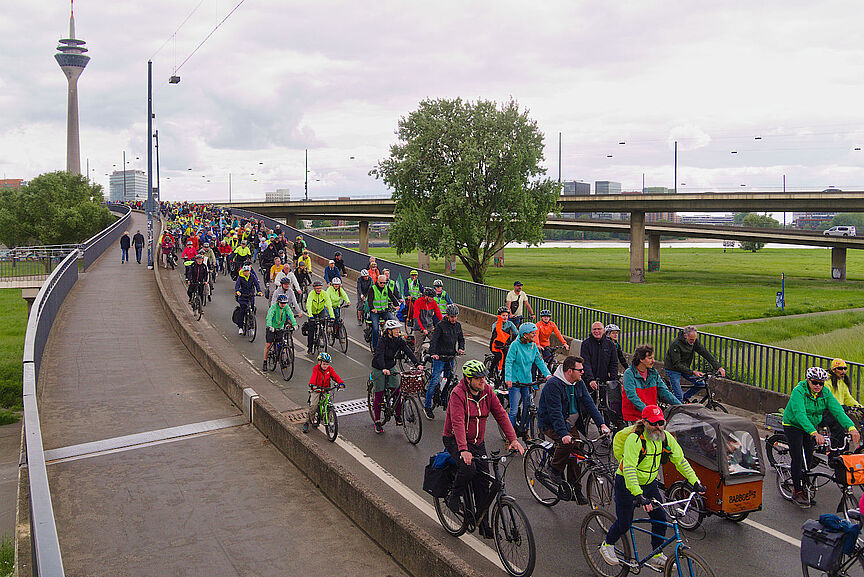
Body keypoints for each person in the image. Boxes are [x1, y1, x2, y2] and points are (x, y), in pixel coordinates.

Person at [599, 405, 705, 569]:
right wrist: (638, 495)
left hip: (649, 484)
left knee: (661, 519)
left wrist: (695, 482)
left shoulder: (666, 438)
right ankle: (607, 544)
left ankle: (656, 554)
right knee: (625, 522)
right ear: (644, 422)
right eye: (653, 423)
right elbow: (629, 468)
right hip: (627, 484)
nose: (658, 427)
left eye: (661, 423)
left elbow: (680, 461)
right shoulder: (634, 440)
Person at [442, 360, 525, 539]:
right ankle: (454, 496)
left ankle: (484, 524)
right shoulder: (458, 394)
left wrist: (513, 439)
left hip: (477, 442)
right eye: (478, 378)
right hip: (455, 440)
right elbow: (457, 422)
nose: (482, 381)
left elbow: (501, 414)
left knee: (483, 483)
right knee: (469, 468)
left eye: (483, 377)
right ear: (468, 379)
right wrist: (463, 449)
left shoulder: (487, 391)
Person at [782, 366, 860, 507]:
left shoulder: (825, 392)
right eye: (814, 382)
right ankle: (797, 491)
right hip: (793, 425)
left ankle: (806, 484)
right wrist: (814, 433)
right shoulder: (798, 391)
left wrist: (851, 427)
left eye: (821, 383)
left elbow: (838, 412)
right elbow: (800, 415)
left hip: (811, 426)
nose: (818, 386)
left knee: (809, 458)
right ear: (808, 380)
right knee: (798, 457)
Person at [538, 355, 610, 503]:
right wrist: (563, 434)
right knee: (569, 443)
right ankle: (554, 468)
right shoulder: (553, 385)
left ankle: (575, 489)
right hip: (552, 423)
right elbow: (555, 413)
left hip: (569, 424)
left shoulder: (578, 382)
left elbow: (589, 403)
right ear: (570, 371)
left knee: (578, 453)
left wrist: (601, 424)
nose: (583, 372)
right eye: (580, 370)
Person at [371, 320, 422, 433]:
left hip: (391, 365)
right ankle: (378, 421)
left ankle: (398, 416)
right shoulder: (382, 341)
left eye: (398, 329)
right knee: (379, 394)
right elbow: (378, 355)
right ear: (389, 331)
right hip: (379, 367)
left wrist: (417, 364)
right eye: (396, 329)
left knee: (397, 391)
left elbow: (408, 351)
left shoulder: (398, 340)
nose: (398, 331)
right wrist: (383, 368)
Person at [504, 322, 551, 433]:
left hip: (527, 381)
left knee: (528, 407)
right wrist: (508, 378)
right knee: (514, 411)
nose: (535, 335)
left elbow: (540, 361)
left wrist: (548, 375)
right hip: (515, 382)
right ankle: (509, 436)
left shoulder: (533, 346)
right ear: (525, 335)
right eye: (532, 333)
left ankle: (525, 430)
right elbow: (509, 361)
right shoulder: (515, 345)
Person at [424, 304, 465, 419]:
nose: (454, 319)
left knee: (450, 378)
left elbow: (461, 339)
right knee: (435, 380)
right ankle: (427, 407)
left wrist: (461, 348)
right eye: (452, 317)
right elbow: (434, 341)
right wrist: (433, 354)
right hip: (440, 358)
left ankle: (443, 397)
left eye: (455, 316)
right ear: (447, 316)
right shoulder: (440, 326)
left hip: (450, 357)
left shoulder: (458, 326)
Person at [663, 326, 726, 402]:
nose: (693, 341)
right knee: (678, 395)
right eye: (691, 339)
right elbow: (677, 364)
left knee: (701, 384)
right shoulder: (676, 344)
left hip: (685, 368)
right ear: (685, 336)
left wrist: (718, 367)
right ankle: (677, 408)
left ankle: (684, 399)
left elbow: (704, 352)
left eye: (694, 339)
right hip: (673, 369)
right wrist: (692, 372)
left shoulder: (694, 341)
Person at [621, 345, 681, 423]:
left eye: (653, 358)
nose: (653, 361)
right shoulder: (629, 374)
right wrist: (648, 412)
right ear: (641, 359)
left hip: (652, 416)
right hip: (634, 417)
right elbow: (632, 396)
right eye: (650, 358)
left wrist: (680, 406)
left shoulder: (653, 373)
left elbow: (664, 392)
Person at [823, 358, 862, 447]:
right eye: (840, 369)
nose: (843, 371)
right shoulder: (827, 382)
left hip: (839, 411)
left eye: (845, 368)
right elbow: (830, 400)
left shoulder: (842, 382)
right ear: (833, 370)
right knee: (838, 426)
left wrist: (859, 407)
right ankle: (836, 449)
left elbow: (848, 398)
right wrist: (841, 406)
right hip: (827, 411)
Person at [303, 352, 344, 433]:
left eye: (327, 364)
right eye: (324, 364)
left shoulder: (330, 370)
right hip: (317, 390)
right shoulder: (316, 369)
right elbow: (313, 378)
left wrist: (341, 383)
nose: (325, 366)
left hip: (326, 390)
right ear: (319, 362)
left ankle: (331, 422)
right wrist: (312, 385)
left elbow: (335, 376)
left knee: (329, 405)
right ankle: (307, 422)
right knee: (313, 406)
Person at [581, 321, 619, 394]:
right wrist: (591, 379)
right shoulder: (586, 344)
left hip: (604, 381)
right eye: (594, 329)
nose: (597, 331)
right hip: (589, 381)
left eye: (599, 329)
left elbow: (614, 363)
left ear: (603, 330)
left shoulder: (610, 344)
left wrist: (613, 381)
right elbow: (585, 363)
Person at [263, 293, 298, 371]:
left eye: (285, 303)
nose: (283, 304)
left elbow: (291, 315)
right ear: (278, 302)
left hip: (280, 328)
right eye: (282, 303)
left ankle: (282, 360)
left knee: (283, 345)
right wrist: (270, 326)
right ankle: (265, 362)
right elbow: (269, 316)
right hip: (272, 327)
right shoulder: (274, 307)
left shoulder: (286, 307)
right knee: (268, 345)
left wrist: (294, 324)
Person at [367, 274, 400, 352]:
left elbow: (392, 296)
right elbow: (370, 300)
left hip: (384, 311)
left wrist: (397, 305)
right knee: (375, 329)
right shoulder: (373, 289)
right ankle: (375, 347)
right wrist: (372, 309)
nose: (382, 284)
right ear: (377, 281)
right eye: (381, 283)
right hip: (375, 312)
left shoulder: (386, 288)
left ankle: (393, 343)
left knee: (393, 322)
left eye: (384, 283)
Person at [489, 306, 518, 383]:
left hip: (506, 345)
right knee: (498, 356)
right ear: (499, 316)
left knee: (508, 359)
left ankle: (504, 373)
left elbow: (516, 333)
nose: (505, 317)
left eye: (506, 315)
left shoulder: (510, 324)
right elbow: (495, 336)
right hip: (496, 345)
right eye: (503, 315)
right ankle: (490, 372)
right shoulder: (496, 324)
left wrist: (512, 342)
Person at [305, 280, 335, 354]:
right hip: (313, 312)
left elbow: (329, 304)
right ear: (314, 288)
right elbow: (308, 305)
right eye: (317, 288)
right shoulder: (311, 294)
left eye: (320, 288)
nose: (319, 290)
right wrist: (310, 316)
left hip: (321, 311)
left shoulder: (324, 294)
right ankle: (310, 347)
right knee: (311, 330)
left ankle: (321, 336)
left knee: (323, 324)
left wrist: (332, 316)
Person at [412, 287, 442, 358]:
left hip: (429, 326)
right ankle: (416, 365)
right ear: (426, 296)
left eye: (433, 297)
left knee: (437, 342)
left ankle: (429, 353)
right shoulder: (418, 302)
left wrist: (444, 323)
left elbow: (438, 314)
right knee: (418, 349)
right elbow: (416, 317)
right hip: (419, 328)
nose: (432, 299)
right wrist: (422, 329)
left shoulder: (433, 302)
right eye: (431, 297)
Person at [234, 263, 262, 335]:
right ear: (243, 271)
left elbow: (257, 284)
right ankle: (240, 327)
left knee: (252, 311)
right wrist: (237, 291)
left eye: (248, 271)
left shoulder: (252, 276)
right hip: (243, 295)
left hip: (251, 295)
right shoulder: (240, 277)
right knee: (242, 310)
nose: (246, 272)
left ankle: (252, 328)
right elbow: (237, 285)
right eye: (245, 271)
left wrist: (259, 291)